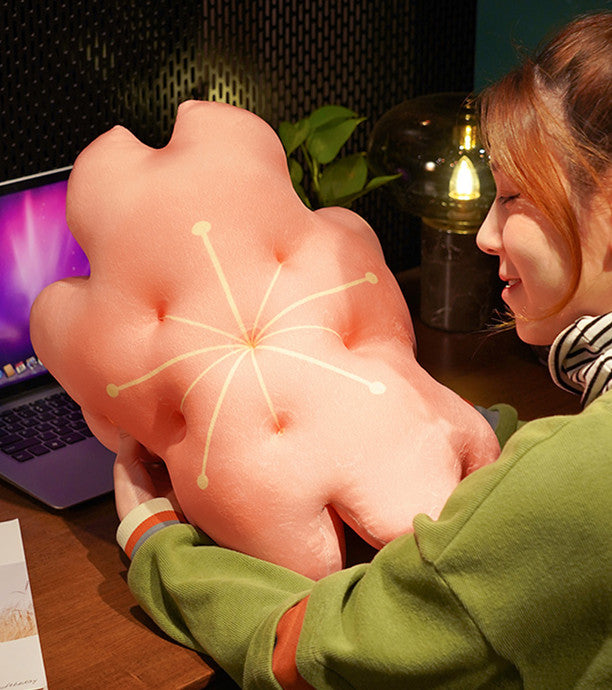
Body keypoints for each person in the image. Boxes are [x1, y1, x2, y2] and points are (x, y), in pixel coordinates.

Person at [113, 13, 611, 689]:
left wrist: (155, 542)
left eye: (514, 197)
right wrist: (473, 429)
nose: (486, 235)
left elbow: (309, 651)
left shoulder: (579, 476)